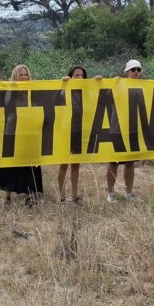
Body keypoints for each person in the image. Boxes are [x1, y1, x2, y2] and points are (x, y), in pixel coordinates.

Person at [0, 65, 43, 206]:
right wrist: (12, 88)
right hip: (12, 131)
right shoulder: (8, 91)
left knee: (29, 164)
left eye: (25, 75)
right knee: (10, 164)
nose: (23, 77)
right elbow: (3, 104)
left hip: (29, 133)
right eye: (20, 75)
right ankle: (7, 195)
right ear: (15, 76)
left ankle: (29, 195)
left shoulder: (33, 91)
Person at [57, 65, 100, 203]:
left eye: (82, 75)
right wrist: (63, 84)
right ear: (70, 76)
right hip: (65, 131)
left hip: (80, 131)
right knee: (64, 164)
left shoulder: (86, 92)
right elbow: (55, 98)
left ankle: (75, 195)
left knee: (76, 164)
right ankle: (62, 196)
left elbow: (99, 96)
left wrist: (97, 82)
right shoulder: (65, 91)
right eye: (76, 75)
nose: (79, 78)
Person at [106, 59, 143, 203]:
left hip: (133, 129)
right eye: (133, 69)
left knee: (130, 162)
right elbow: (104, 94)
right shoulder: (117, 84)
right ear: (126, 72)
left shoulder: (143, 87)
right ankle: (110, 193)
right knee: (113, 162)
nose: (136, 72)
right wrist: (112, 82)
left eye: (138, 70)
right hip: (117, 128)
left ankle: (129, 193)